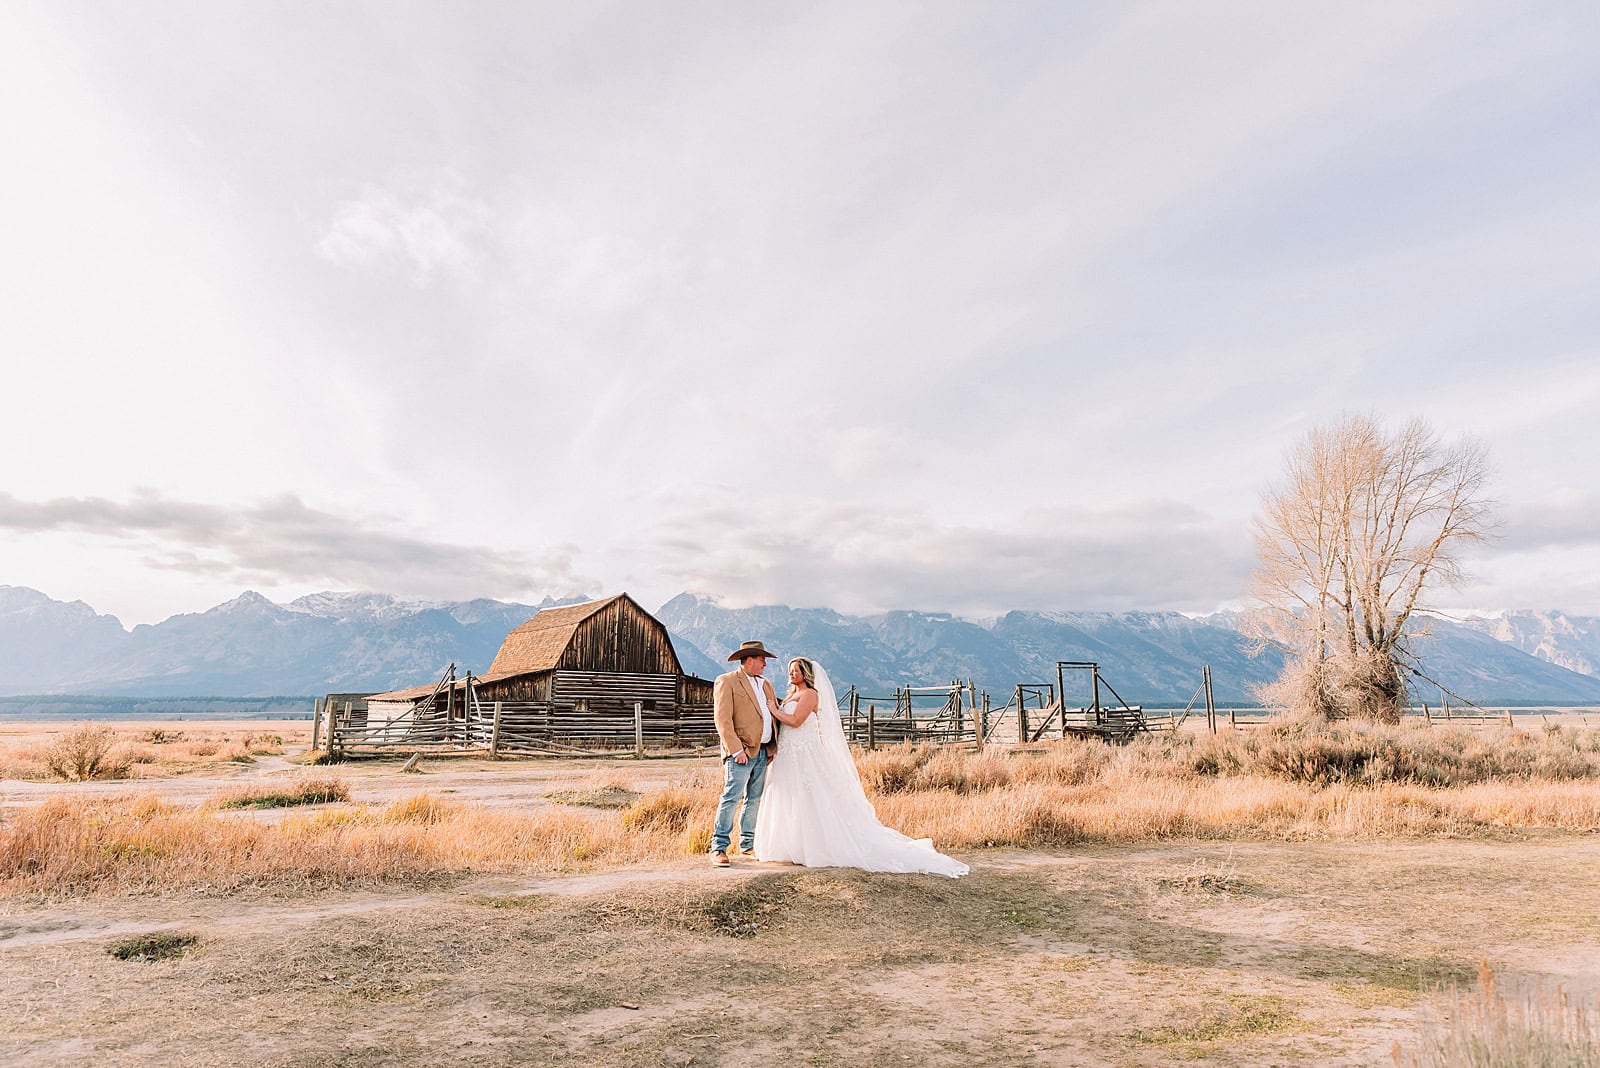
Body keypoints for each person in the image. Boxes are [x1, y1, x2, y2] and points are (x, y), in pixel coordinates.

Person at [755, 657, 968, 878]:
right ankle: (789, 845)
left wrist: (774, 710)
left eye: (796, 670)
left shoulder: (810, 694)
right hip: (788, 753)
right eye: (790, 670)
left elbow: (796, 720)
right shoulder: (791, 695)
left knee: (810, 798)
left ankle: (813, 847)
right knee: (790, 797)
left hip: (804, 755)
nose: (792, 674)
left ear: (806, 673)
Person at [708, 640, 781, 867]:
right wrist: (736, 749)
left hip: (763, 752)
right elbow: (722, 719)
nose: (765, 664)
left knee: (754, 799)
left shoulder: (766, 684)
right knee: (731, 797)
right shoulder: (727, 681)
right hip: (741, 752)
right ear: (750, 660)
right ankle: (719, 847)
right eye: (762, 660)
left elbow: (772, 714)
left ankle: (747, 844)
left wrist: (772, 746)